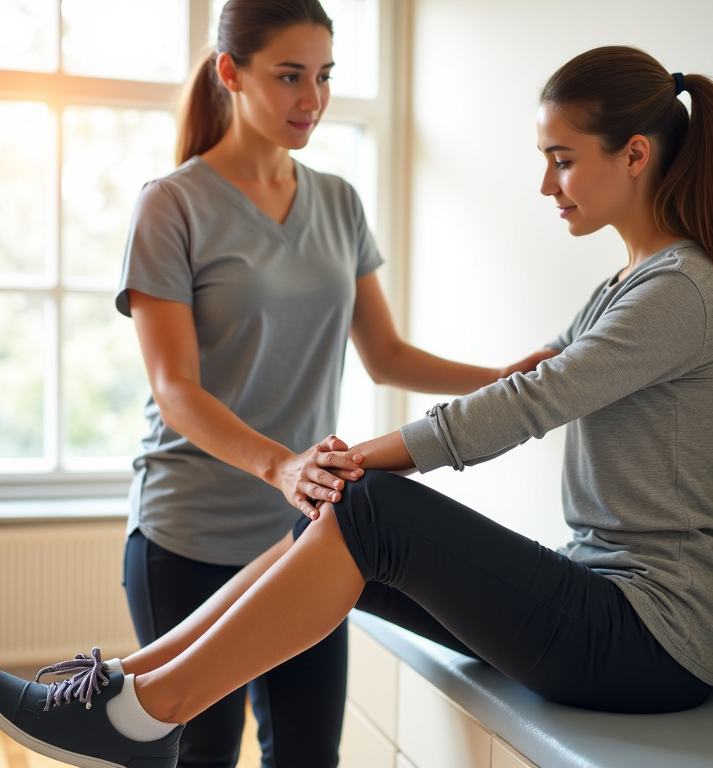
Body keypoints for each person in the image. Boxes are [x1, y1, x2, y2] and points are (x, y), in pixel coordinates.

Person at [0, 44, 713, 768]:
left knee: (365, 498)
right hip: (598, 602)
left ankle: (148, 712)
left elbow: (527, 403)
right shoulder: (623, 288)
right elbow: (536, 377)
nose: (546, 185)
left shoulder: (680, 290)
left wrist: (351, 455)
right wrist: (341, 473)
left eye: (562, 161)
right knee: (333, 507)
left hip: (653, 638)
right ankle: (126, 687)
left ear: (635, 154)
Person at [111, 1, 553, 766]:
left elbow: (386, 356)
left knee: (310, 756)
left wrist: (504, 381)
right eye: (289, 77)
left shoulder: (339, 202)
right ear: (230, 73)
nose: (311, 100)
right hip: (188, 536)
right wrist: (281, 465)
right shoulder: (171, 205)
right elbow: (176, 389)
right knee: (199, 754)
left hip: (301, 545)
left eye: (322, 77)